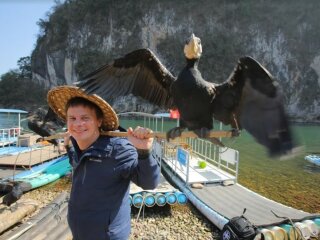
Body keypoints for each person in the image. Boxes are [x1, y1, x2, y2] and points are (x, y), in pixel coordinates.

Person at [47, 86, 160, 240]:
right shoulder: (78, 143)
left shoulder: (118, 149)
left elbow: (149, 183)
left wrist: (144, 152)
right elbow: (76, 162)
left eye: (85, 118)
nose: (77, 124)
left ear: (99, 121)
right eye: (72, 118)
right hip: (79, 233)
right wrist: (68, 146)